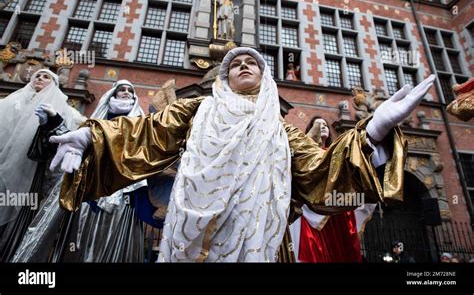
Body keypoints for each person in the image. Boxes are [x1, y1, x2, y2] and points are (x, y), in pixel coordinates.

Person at [50, 47, 435, 262]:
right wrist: (91, 137)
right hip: (191, 238)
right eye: (235, 64)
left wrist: (373, 130)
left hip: (262, 246)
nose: (244, 66)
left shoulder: (281, 131)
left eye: (252, 62)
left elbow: (322, 172)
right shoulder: (198, 110)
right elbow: (147, 133)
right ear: (225, 77)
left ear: (265, 77)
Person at [13, 80, 153, 262]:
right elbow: (73, 139)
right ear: (113, 95)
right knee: (79, 242)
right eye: (121, 90)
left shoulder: (141, 126)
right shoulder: (94, 122)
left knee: (114, 246)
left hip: (124, 195)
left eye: (130, 90)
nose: (126, 92)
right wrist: (54, 120)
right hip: (89, 191)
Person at [0, 69, 84, 262]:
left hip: (30, 172)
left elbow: (64, 140)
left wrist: (49, 124)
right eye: (37, 75)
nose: (40, 78)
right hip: (3, 166)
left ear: (54, 83)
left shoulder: (62, 108)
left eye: (46, 76)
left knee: (18, 213)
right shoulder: (12, 102)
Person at [288, 117, 376, 262]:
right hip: (311, 209)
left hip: (336, 210)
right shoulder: (304, 153)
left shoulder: (335, 153)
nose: (322, 126)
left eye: (325, 124)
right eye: (317, 124)